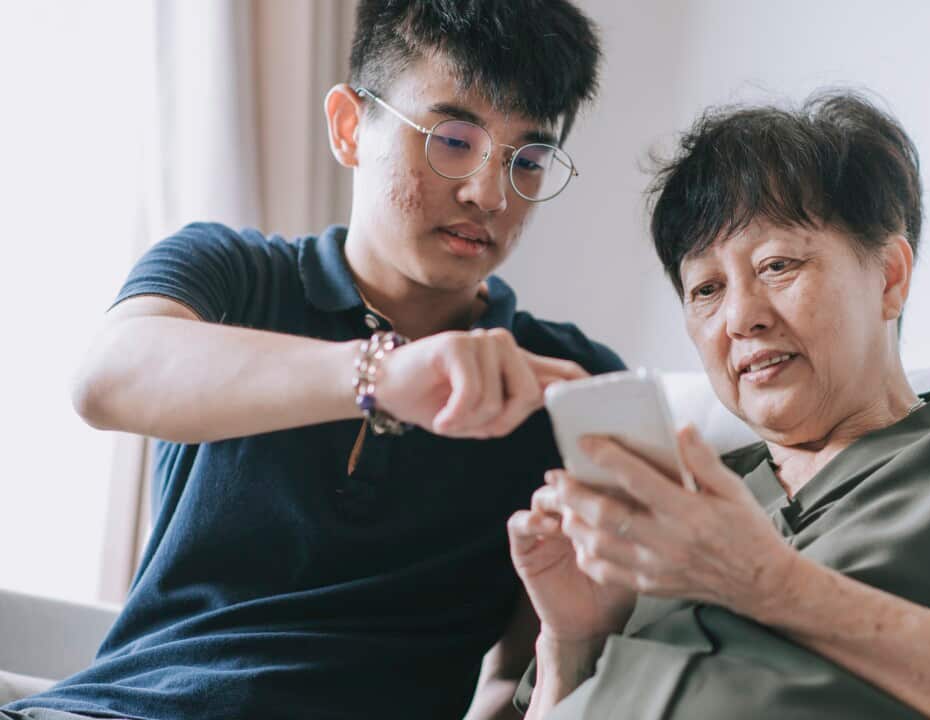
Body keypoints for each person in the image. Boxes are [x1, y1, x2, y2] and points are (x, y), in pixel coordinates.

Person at [1, 2, 621, 719]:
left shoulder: (565, 381)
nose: (489, 193)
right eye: (453, 139)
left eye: (528, 160)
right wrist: (382, 376)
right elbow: (106, 377)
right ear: (350, 127)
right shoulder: (231, 275)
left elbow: (517, 681)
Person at [507, 91, 930, 719]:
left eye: (778, 265)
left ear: (890, 277)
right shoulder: (678, 501)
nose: (740, 318)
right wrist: (574, 640)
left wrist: (765, 580)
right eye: (705, 288)